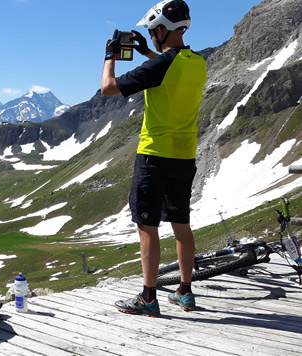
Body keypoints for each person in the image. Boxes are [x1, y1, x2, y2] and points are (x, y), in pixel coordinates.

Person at [101, 0, 206, 317]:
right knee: (181, 225)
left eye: (152, 29)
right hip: (184, 155)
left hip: (154, 156)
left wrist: (110, 57)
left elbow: (107, 88)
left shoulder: (161, 65)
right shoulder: (197, 62)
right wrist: (148, 52)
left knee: (147, 226)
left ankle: (148, 298)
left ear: (162, 28)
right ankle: (185, 292)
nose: (152, 34)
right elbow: (168, 69)